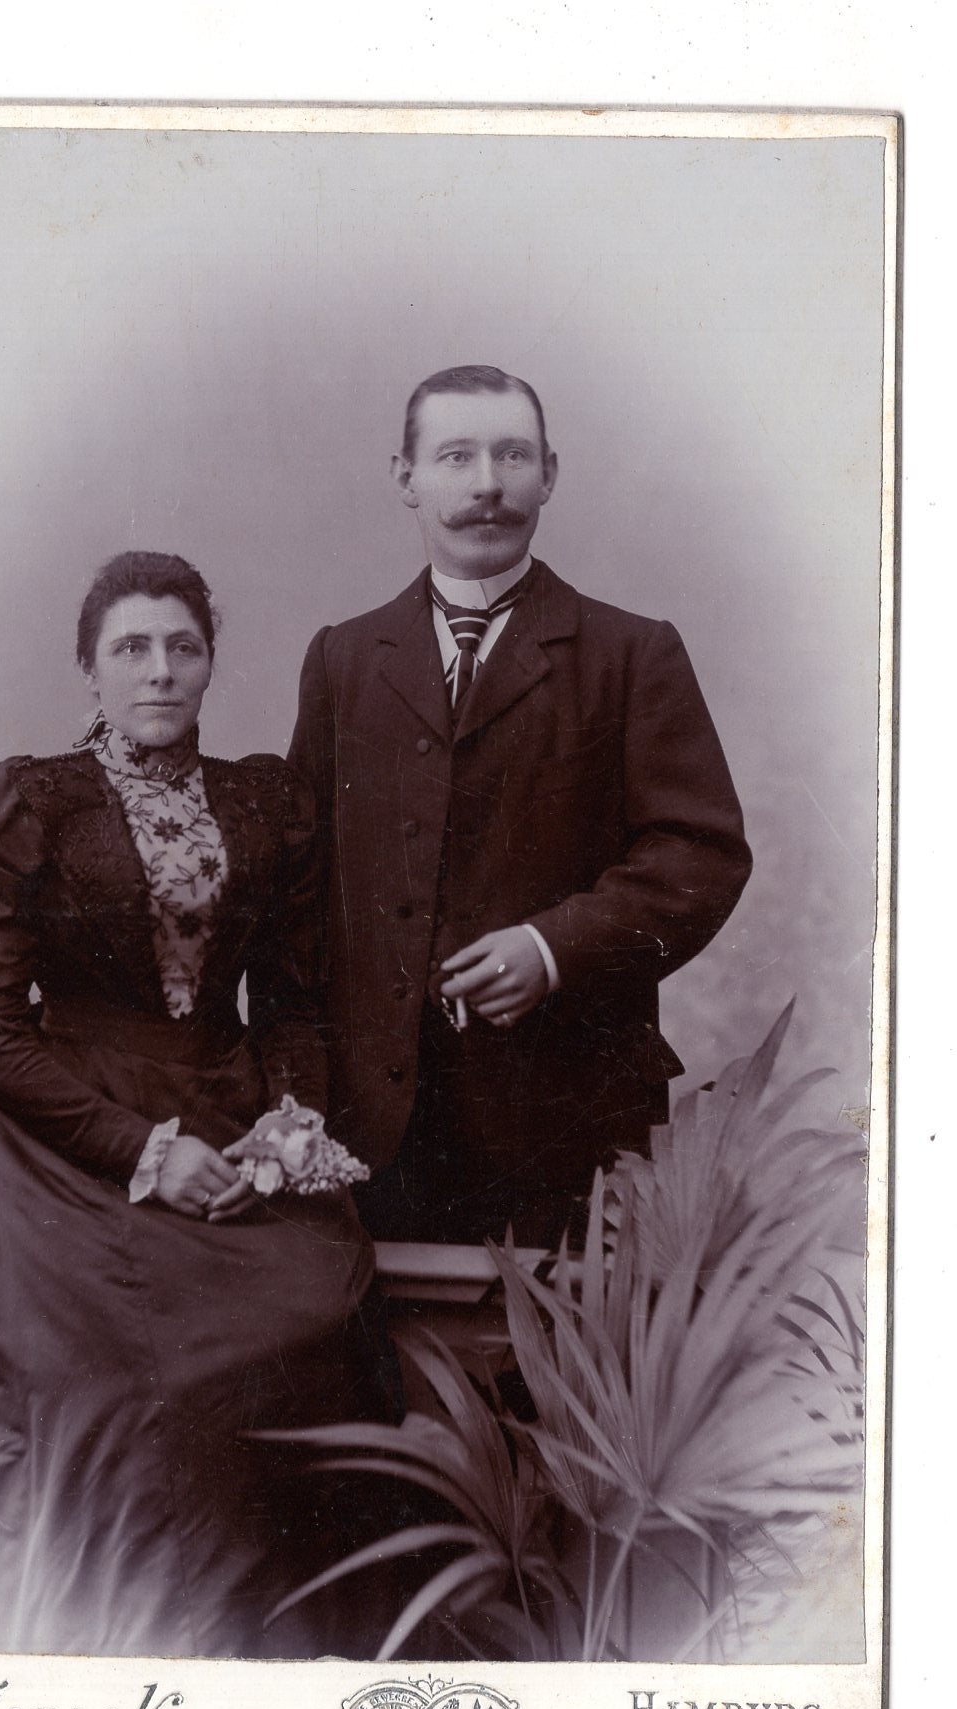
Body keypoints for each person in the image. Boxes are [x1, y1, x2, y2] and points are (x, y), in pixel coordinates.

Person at [0, 550, 396, 1660]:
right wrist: (144, 1152)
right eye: (131, 648)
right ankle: (124, 1642)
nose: (159, 670)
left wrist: (283, 1128)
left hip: (230, 1108)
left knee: (317, 1303)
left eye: (182, 646)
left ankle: (268, 1648)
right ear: (90, 667)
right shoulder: (21, 805)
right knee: (118, 1374)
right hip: (67, 1131)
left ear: (209, 663)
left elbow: (293, 1003)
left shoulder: (265, 805)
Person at [289, 364, 753, 1247]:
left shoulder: (630, 653)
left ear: (550, 474)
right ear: (405, 477)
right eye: (456, 457)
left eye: (512, 456)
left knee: (552, 1339)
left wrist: (552, 948)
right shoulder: (343, 659)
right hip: (371, 1132)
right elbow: (299, 886)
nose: (488, 485)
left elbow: (701, 856)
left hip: (566, 1122)